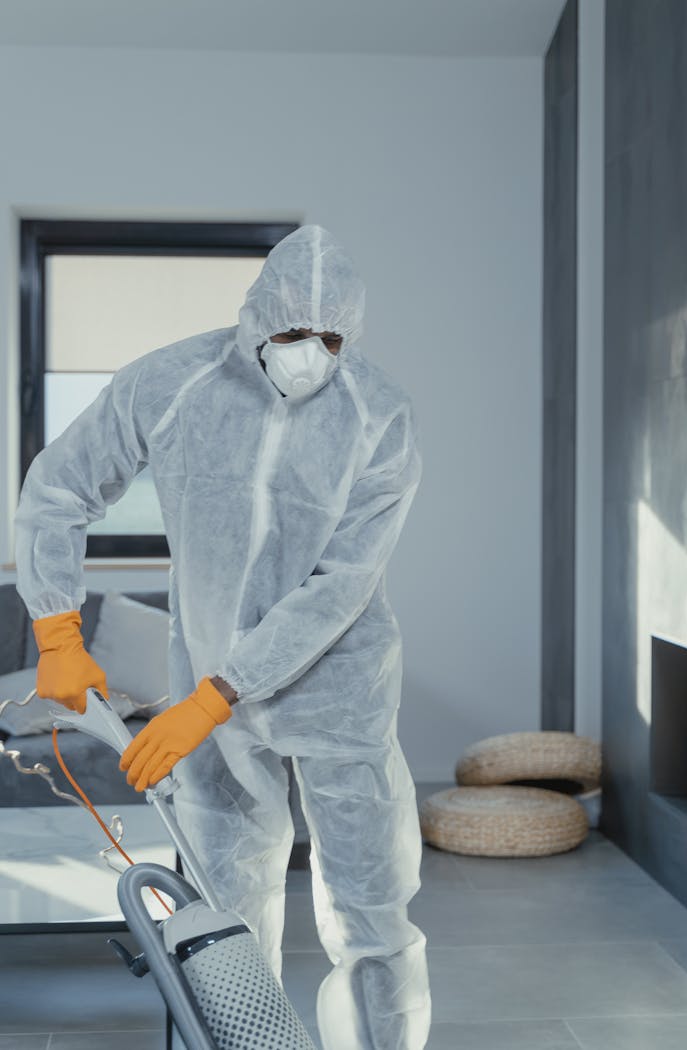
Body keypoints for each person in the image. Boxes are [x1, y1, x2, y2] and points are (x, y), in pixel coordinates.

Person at [14, 224, 432, 1049]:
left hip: (336, 681)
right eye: (294, 331)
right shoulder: (174, 382)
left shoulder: (379, 414)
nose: (311, 353)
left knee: (371, 906)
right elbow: (59, 487)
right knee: (225, 907)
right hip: (208, 674)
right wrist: (58, 632)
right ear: (258, 317)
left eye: (332, 339)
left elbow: (341, 584)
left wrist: (215, 697)